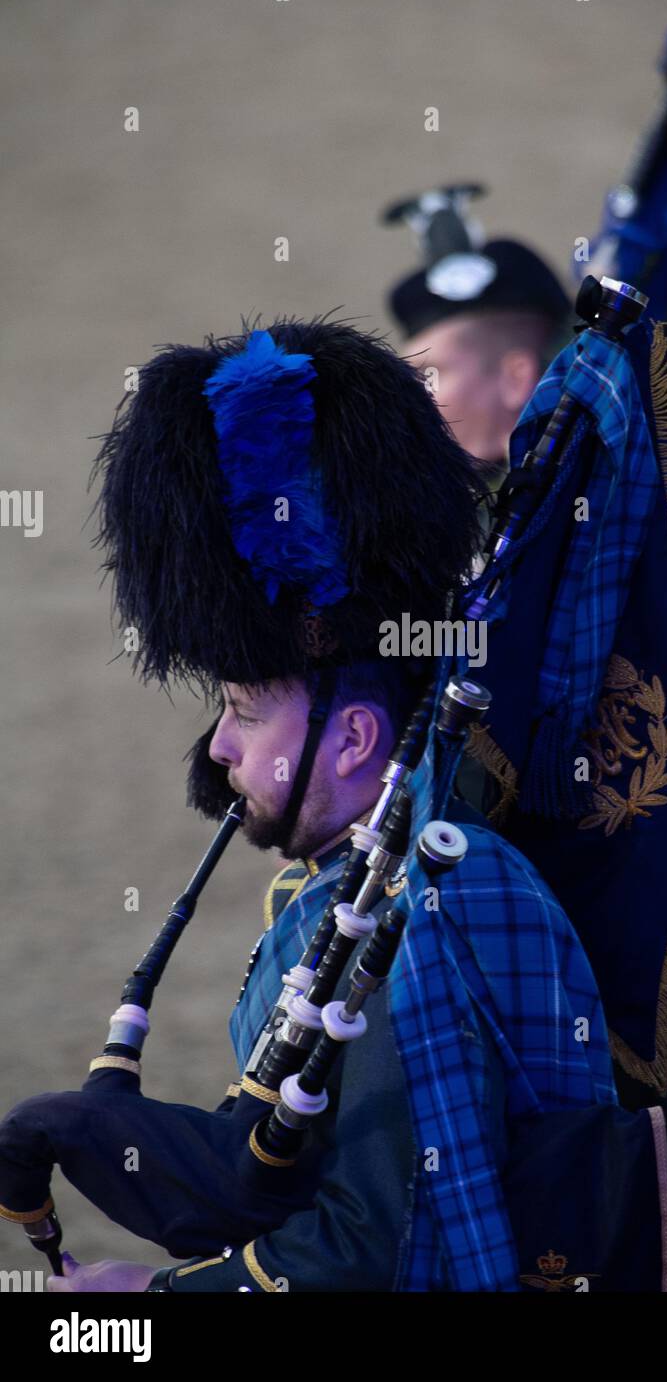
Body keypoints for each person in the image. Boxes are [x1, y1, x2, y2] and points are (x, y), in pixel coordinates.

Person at [42, 316, 618, 1293]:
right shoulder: (330, 886)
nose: (218, 748)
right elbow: (276, 1165)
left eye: (240, 711)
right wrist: (86, 1132)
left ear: (353, 739)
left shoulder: (434, 904)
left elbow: (384, 1250)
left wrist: (150, 1297)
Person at [383, 187, 667, 1291]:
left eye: (426, 368)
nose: (408, 396)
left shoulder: (573, 532)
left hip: (614, 922)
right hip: (535, 934)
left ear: (517, 379)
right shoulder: (481, 541)